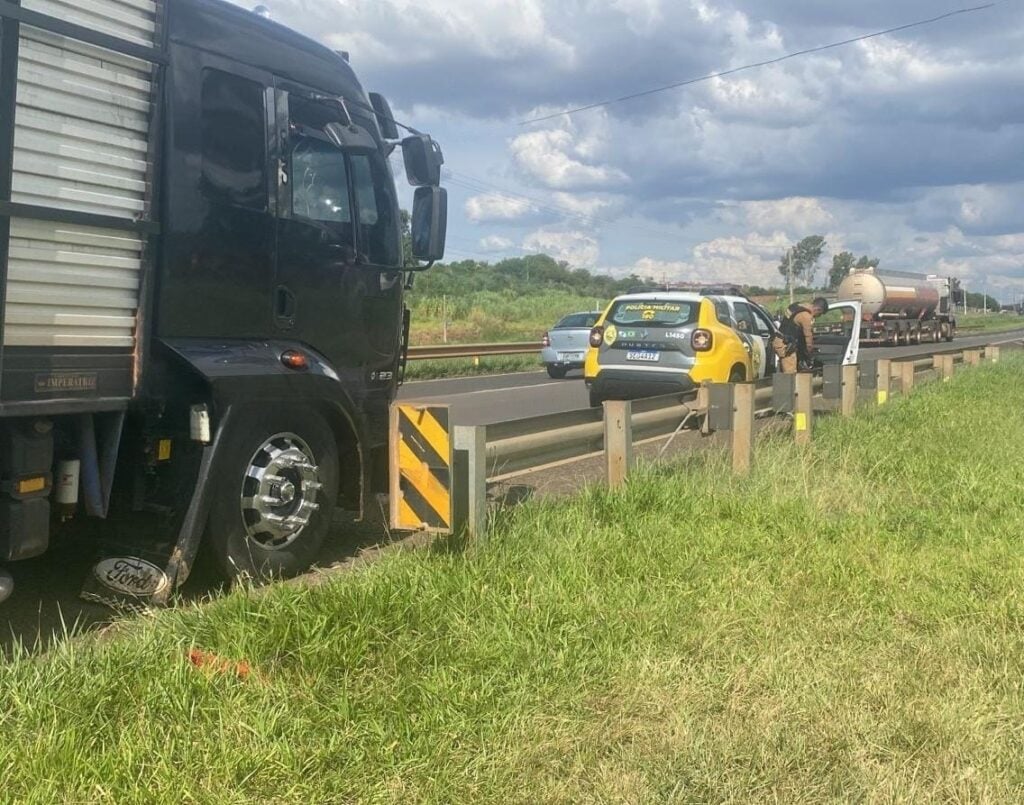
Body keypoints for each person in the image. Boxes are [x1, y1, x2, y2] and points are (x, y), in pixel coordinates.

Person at [772, 297, 829, 373]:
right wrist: (809, 353)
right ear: (818, 309)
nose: (818, 316)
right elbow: (808, 338)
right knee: (790, 375)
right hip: (787, 346)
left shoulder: (796, 306)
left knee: (783, 370)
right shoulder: (806, 317)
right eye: (820, 314)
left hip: (779, 341)